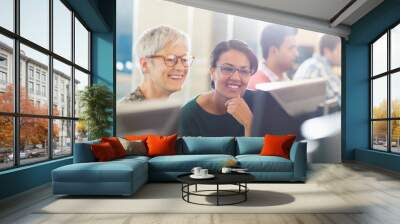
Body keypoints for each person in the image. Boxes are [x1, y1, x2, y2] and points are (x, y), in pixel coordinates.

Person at [178, 40, 258, 137]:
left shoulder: (259, 105)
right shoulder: (188, 116)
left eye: (244, 71)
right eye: (228, 69)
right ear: (212, 72)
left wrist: (249, 123)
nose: (236, 78)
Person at [119, 25, 193, 103]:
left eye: (185, 59)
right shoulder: (127, 112)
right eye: (170, 59)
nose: (180, 67)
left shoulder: (167, 110)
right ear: (145, 64)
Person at [293, 34, 341, 109]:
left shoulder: (314, 63)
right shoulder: (317, 67)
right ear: (327, 51)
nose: (342, 55)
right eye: (339, 50)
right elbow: (340, 100)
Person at [247, 24, 298, 90]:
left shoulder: (284, 78)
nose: (297, 54)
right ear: (274, 51)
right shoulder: (256, 87)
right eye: (291, 48)